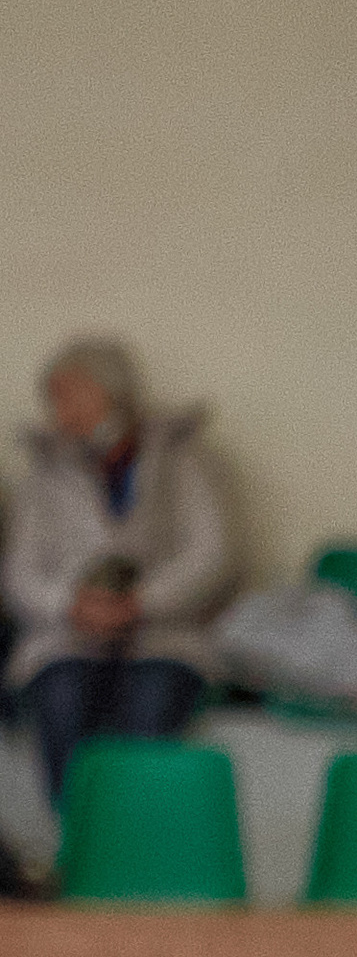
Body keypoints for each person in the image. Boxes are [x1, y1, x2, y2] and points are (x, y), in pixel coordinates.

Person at [4, 340, 239, 801]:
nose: (62, 413)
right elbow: (21, 573)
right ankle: (78, 832)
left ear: (114, 392)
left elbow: (212, 554)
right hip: (67, 636)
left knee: (150, 712)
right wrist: (72, 604)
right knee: (60, 699)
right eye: (55, 400)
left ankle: (133, 832)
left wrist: (142, 602)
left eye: (74, 396)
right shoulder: (44, 472)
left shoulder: (184, 458)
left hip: (165, 634)